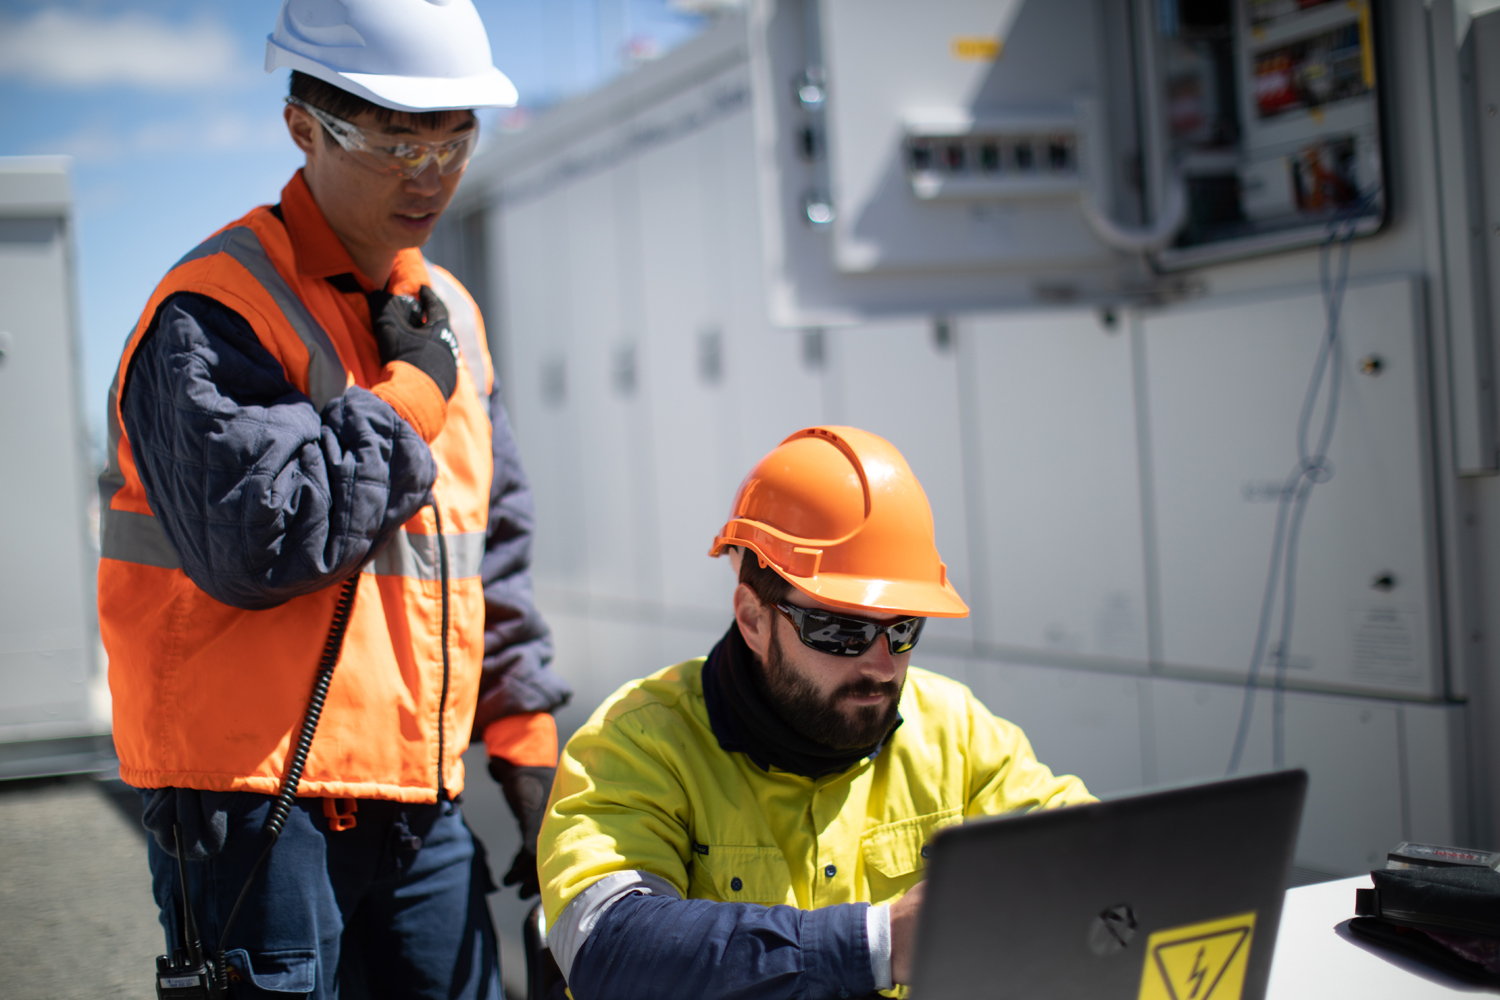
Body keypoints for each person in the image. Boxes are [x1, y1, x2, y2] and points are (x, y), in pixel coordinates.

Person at [96, 1, 569, 995]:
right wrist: (408, 400)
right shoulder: (216, 310)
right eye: (400, 140)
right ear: (302, 126)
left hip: (419, 809)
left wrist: (523, 728)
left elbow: (492, 547)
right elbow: (260, 543)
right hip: (255, 809)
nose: (432, 174)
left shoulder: (451, 319)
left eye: (455, 140)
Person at [538, 425, 1095, 999]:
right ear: (754, 619)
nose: (882, 665)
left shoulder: (956, 730)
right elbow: (607, 947)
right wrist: (879, 942)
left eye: (903, 630)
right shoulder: (637, 743)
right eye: (841, 630)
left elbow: (1104, 862)